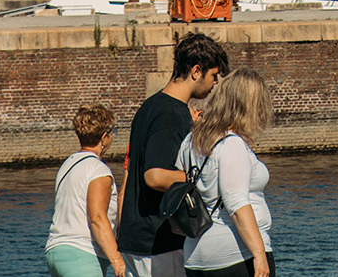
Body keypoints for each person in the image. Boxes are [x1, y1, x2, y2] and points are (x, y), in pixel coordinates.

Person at [118, 31, 231, 277]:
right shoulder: (172, 114)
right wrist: (198, 176)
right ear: (196, 71)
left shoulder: (150, 106)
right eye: (213, 76)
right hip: (159, 242)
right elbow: (155, 176)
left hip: (136, 236)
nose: (215, 83)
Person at [176, 68, 274, 277]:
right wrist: (259, 255)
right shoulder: (232, 144)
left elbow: (181, 181)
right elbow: (236, 203)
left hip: (196, 255)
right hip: (238, 254)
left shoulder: (191, 140)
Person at [46, 104, 125, 277]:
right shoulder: (98, 170)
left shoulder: (67, 164)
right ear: (104, 137)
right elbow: (97, 218)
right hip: (82, 254)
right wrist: (117, 260)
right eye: (113, 132)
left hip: (56, 250)